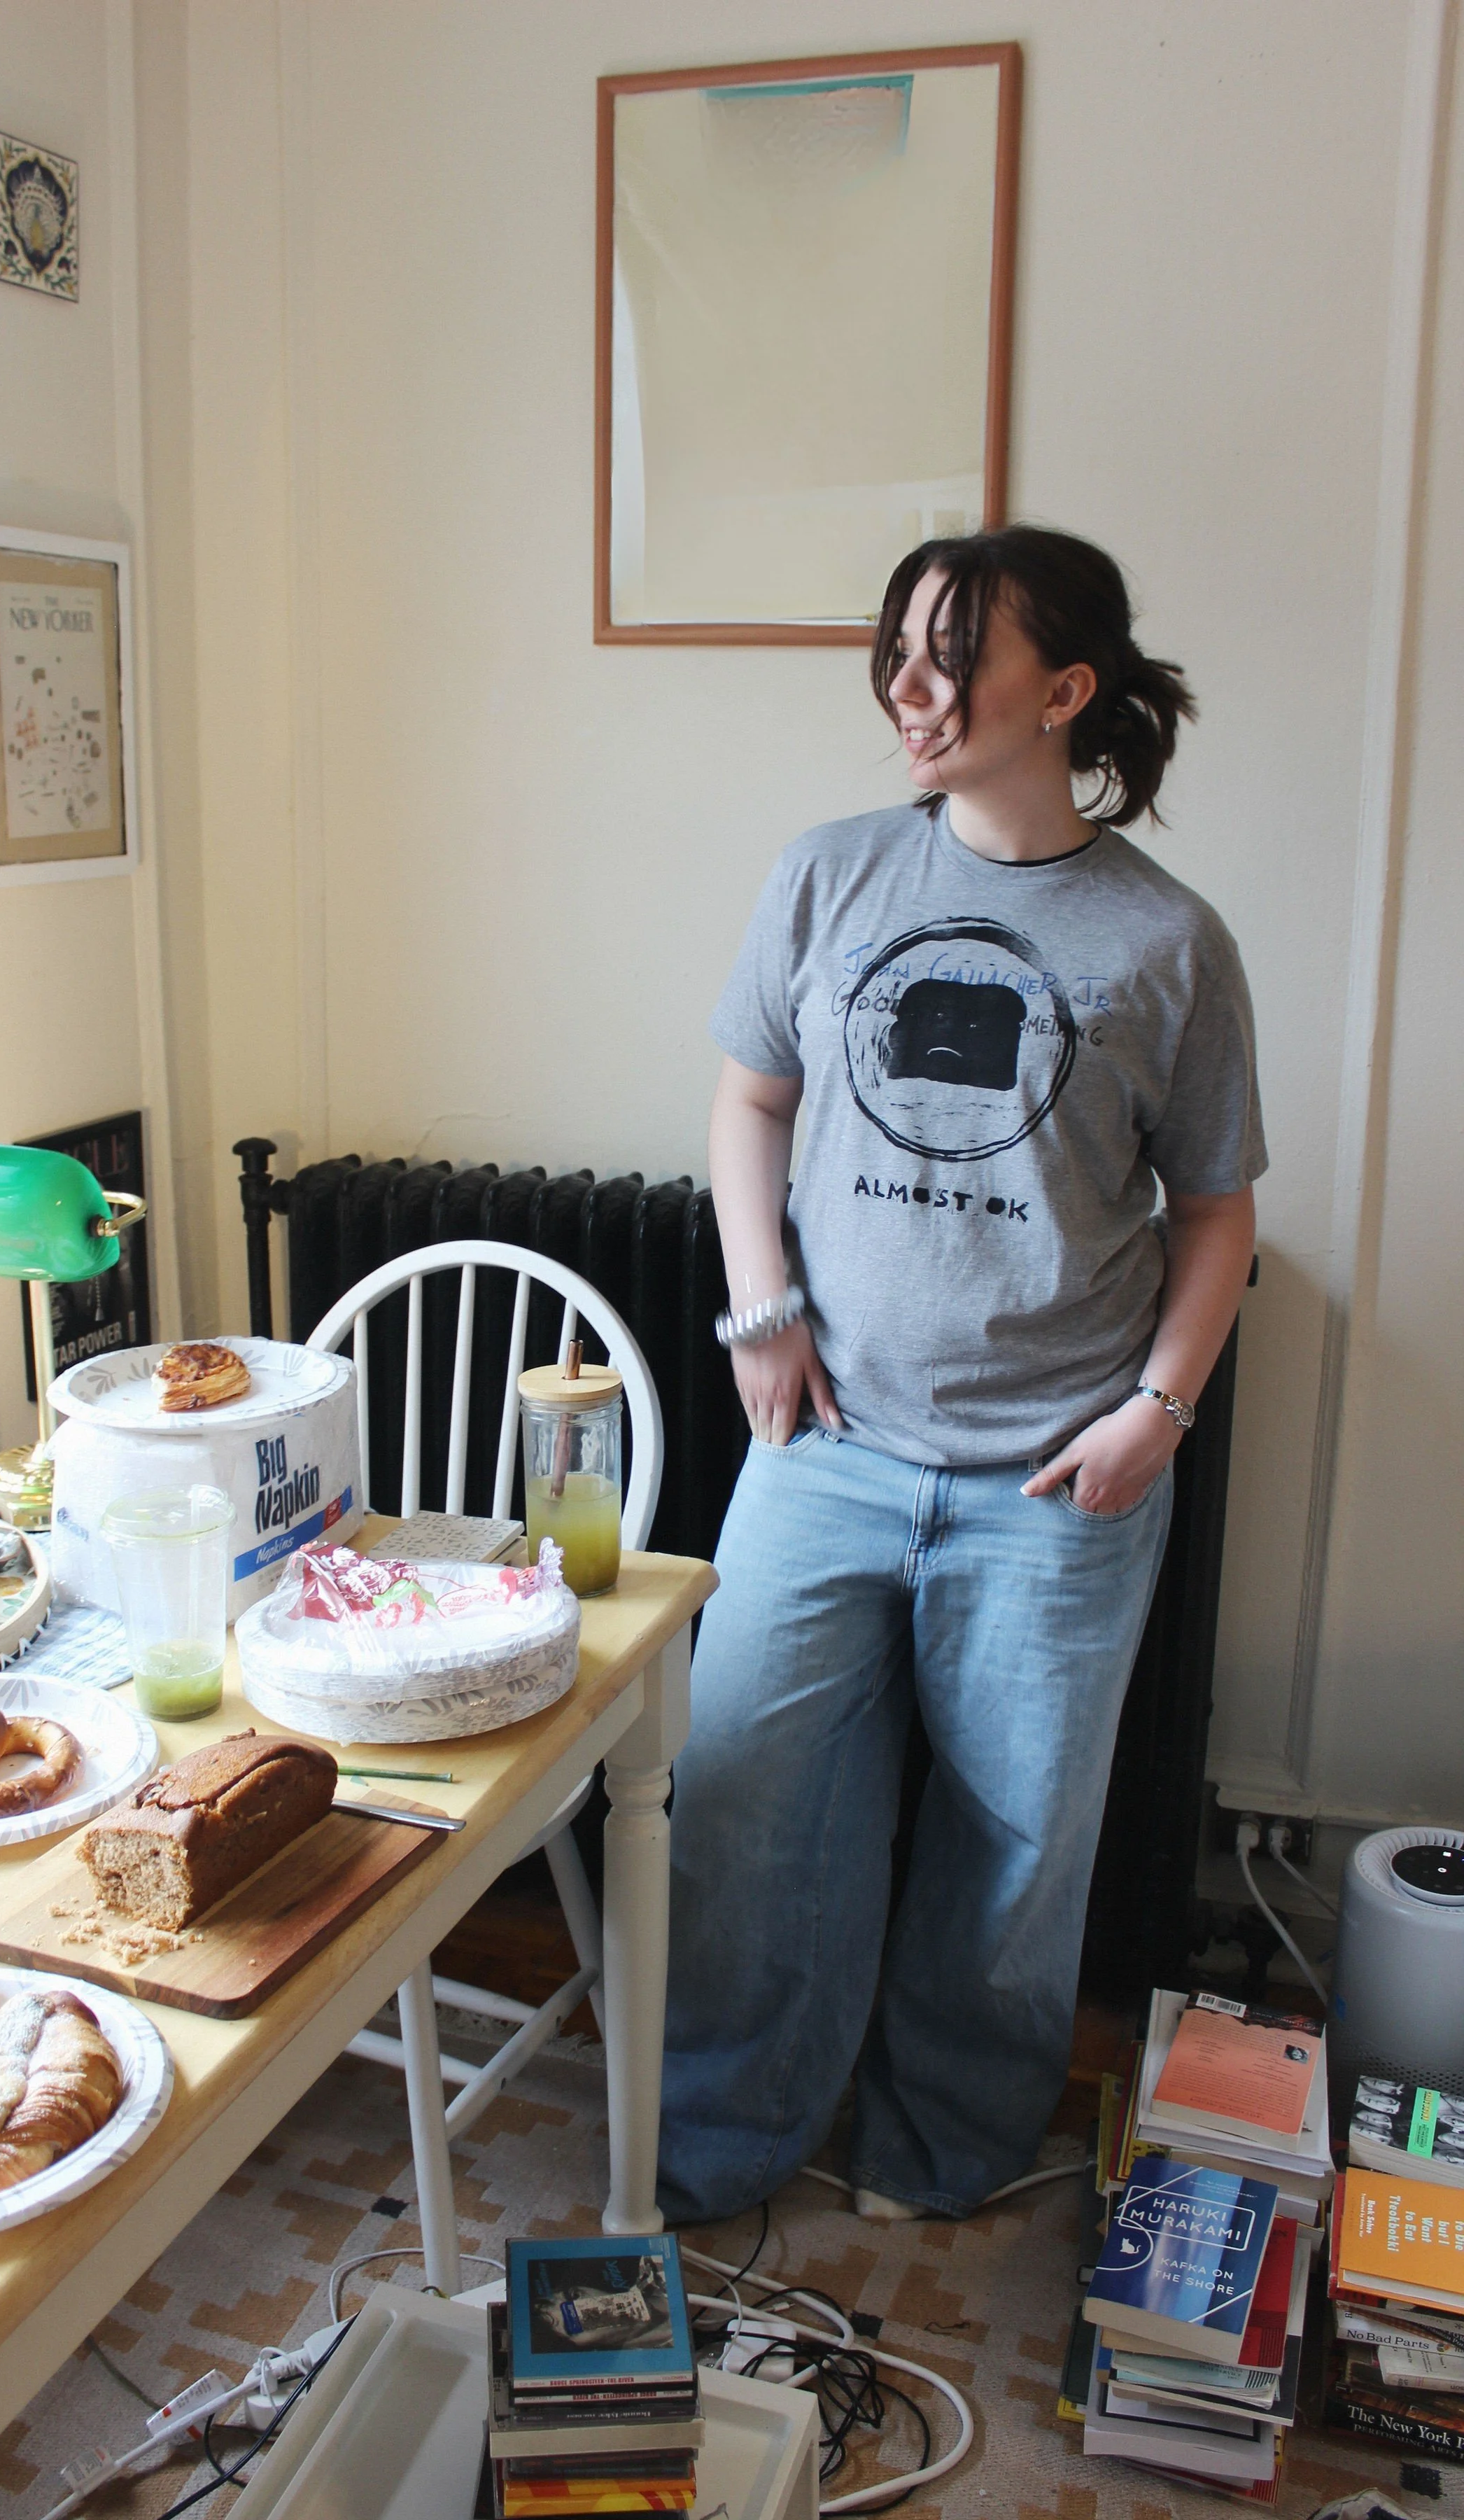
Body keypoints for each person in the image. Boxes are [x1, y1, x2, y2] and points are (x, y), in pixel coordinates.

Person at [656, 525, 1263, 2226]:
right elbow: (749, 1100)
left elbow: (1216, 1211)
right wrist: (759, 1309)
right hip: (828, 1446)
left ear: (1065, 693)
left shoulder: (1168, 942)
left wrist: (1163, 1411)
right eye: (898, 652)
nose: (907, 691)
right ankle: (718, 2149)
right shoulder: (832, 874)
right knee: (750, 1823)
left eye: (951, 658)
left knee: (1011, 1865)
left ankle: (943, 2156)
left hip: (1055, 1487)